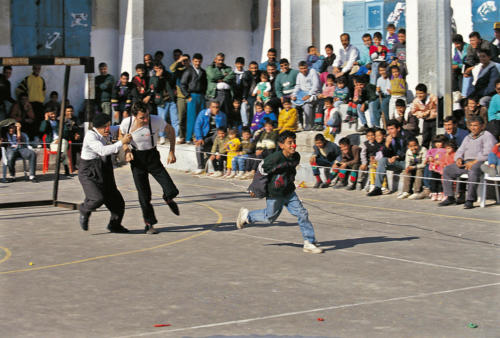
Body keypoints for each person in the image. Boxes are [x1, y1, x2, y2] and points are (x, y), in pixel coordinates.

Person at [236, 130, 323, 254]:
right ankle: (247, 216)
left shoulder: (296, 157)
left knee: (302, 213)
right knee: (270, 217)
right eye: (289, 142)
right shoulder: (274, 158)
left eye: (294, 142)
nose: (293, 145)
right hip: (275, 193)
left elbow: (290, 171)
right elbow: (261, 171)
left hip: (289, 192)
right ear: (281, 145)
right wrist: (255, 188)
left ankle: (309, 242)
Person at [120, 102, 180, 234]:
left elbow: (171, 131)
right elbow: (121, 135)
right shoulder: (126, 123)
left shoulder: (156, 120)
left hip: (152, 156)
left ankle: (168, 197)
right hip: (137, 159)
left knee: (172, 189)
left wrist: (172, 151)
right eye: (142, 118)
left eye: (147, 115)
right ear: (134, 116)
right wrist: (126, 150)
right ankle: (149, 224)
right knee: (144, 195)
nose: (146, 119)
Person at [78, 114, 132, 232]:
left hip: (105, 168)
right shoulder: (90, 136)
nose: (108, 129)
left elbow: (121, 127)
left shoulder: (109, 130)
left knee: (118, 202)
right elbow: (103, 151)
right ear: (97, 127)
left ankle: (114, 225)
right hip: (89, 170)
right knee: (97, 198)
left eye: (108, 125)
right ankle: (84, 209)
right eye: (104, 127)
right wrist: (121, 142)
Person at [439, 116, 496, 209]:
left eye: (476, 125)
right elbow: (460, 150)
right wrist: (458, 158)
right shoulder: (468, 137)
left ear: (482, 126)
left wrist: (474, 162)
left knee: (473, 170)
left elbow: (489, 153)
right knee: (447, 170)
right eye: (471, 125)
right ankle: (450, 197)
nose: (473, 128)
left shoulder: (487, 135)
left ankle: (470, 200)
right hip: (466, 162)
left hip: (481, 163)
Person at [367, 119, 410, 196]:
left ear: (398, 128)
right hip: (396, 162)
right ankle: (377, 188)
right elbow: (385, 154)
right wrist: (387, 144)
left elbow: (408, 150)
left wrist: (397, 156)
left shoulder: (407, 135)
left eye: (392, 129)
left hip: (407, 162)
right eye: (388, 129)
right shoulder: (390, 138)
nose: (390, 132)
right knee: (382, 160)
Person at [192, 100, 227, 175]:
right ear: (210, 107)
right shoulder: (203, 113)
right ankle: (200, 167)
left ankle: (219, 169)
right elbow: (197, 126)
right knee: (199, 147)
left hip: (216, 135)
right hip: (205, 136)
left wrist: (217, 116)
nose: (216, 109)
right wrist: (199, 138)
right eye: (213, 107)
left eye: (217, 107)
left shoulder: (222, 115)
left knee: (218, 144)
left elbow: (222, 129)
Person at [180, 53, 207, 144]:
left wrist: (204, 94)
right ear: (192, 61)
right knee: (191, 118)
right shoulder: (188, 71)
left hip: (201, 96)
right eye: (195, 61)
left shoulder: (203, 71)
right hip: (192, 96)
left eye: (199, 61)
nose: (197, 63)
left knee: (201, 117)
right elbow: (182, 84)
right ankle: (188, 138)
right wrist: (187, 96)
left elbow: (205, 84)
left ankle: (198, 137)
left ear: (201, 61)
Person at [149, 61, 179, 143]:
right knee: (162, 119)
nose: (158, 70)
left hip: (171, 100)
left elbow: (173, 82)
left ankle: (177, 136)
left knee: (175, 119)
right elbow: (154, 87)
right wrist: (157, 77)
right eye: (156, 69)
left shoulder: (168, 75)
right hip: (161, 101)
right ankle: (162, 136)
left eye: (159, 68)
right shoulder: (153, 77)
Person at [39, 107, 71, 176]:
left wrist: (60, 138)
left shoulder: (60, 122)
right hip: (52, 143)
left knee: (64, 143)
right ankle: (65, 167)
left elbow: (66, 131)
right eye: (51, 114)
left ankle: (59, 159)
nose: (53, 115)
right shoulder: (45, 123)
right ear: (47, 114)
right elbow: (42, 130)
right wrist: (46, 120)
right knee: (63, 151)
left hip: (61, 141)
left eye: (54, 114)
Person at [291, 61, 321, 131]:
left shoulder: (312, 72)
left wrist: (309, 94)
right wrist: (294, 94)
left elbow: (316, 85)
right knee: (293, 104)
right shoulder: (299, 75)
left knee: (307, 105)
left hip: (314, 93)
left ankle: (308, 124)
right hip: (302, 94)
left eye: (304, 68)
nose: (303, 70)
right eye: (301, 68)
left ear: (307, 67)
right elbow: (297, 86)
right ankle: (298, 124)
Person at [206, 53, 235, 118]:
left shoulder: (227, 68)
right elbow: (213, 76)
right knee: (215, 112)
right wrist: (224, 75)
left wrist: (223, 80)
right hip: (216, 93)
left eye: (222, 60)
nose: (221, 62)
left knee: (226, 113)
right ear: (215, 60)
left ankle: (224, 127)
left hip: (227, 93)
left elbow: (232, 75)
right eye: (219, 60)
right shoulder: (210, 68)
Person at [170, 54, 190, 143]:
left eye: (186, 60)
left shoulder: (191, 70)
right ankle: (182, 136)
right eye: (183, 60)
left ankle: (190, 136)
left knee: (190, 118)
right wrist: (179, 61)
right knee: (181, 118)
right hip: (181, 97)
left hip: (190, 96)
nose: (184, 62)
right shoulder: (178, 70)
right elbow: (171, 69)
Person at [410, 83, 438, 149]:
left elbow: (439, 107)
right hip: (426, 121)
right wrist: (422, 114)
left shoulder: (432, 97)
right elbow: (414, 112)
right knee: (425, 137)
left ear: (425, 93)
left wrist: (431, 112)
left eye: (421, 93)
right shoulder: (416, 101)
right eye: (417, 93)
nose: (419, 95)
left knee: (434, 138)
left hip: (434, 120)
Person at [425, 135, 448, 201]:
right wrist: (429, 157)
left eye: (440, 142)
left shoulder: (445, 150)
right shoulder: (432, 150)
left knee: (441, 181)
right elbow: (428, 154)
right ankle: (434, 193)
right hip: (433, 168)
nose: (438, 144)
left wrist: (440, 162)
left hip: (441, 168)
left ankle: (441, 193)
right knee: (433, 181)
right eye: (436, 142)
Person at [241, 61, 261, 126]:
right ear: (249, 69)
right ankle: (246, 125)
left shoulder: (260, 75)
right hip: (248, 96)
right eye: (252, 68)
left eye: (255, 68)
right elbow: (244, 87)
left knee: (254, 106)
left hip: (257, 96)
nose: (254, 70)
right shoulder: (246, 75)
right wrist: (244, 97)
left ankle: (253, 124)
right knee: (244, 107)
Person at [371, 62, 391, 128]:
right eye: (380, 70)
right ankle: (377, 125)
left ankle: (387, 124)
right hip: (381, 96)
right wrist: (378, 90)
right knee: (374, 105)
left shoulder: (390, 79)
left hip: (388, 97)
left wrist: (383, 91)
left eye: (383, 70)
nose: (382, 72)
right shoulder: (379, 79)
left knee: (383, 105)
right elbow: (377, 92)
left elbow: (389, 92)